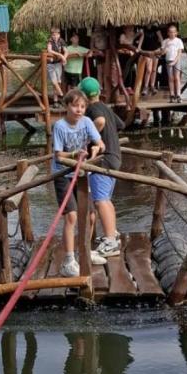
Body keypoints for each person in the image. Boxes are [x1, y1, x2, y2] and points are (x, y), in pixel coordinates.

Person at [51, 87, 105, 278]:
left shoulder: (87, 122)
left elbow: (100, 143)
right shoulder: (59, 126)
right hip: (63, 174)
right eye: (75, 106)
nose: (79, 110)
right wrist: (74, 153)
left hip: (82, 174)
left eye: (82, 106)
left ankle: (86, 251)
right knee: (72, 217)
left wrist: (95, 150)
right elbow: (58, 155)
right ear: (67, 106)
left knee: (90, 216)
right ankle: (68, 260)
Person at [79, 76, 123, 260]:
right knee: (105, 199)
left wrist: (89, 138)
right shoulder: (105, 106)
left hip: (102, 161)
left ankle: (111, 242)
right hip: (115, 156)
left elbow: (100, 122)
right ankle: (113, 234)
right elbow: (120, 125)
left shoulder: (93, 108)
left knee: (100, 201)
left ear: (84, 95)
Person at [161, 24, 185, 99]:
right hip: (168, 61)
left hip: (176, 61)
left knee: (177, 77)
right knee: (170, 78)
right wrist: (165, 48)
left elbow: (179, 53)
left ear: (176, 33)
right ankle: (172, 94)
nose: (172, 34)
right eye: (170, 32)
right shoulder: (165, 41)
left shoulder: (179, 41)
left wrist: (174, 62)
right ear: (168, 33)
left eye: (173, 32)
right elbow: (162, 53)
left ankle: (178, 94)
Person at [45, 28, 67, 97]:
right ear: (51, 35)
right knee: (54, 81)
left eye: (56, 35)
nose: (55, 36)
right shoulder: (50, 41)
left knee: (58, 81)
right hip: (50, 64)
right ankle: (61, 94)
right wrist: (60, 55)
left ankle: (56, 100)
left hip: (58, 63)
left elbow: (66, 51)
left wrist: (64, 58)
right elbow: (49, 50)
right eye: (53, 35)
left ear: (59, 34)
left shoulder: (61, 41)